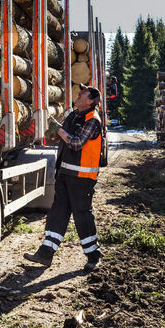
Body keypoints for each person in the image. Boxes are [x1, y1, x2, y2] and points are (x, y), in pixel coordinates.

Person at [24, 85, 104, 269]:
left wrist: (59, 130)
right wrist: (53, 133)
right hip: (66, 174)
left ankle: (94, 257)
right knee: (57, 213)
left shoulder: (93, 120)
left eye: (83, 93)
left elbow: (76, 143)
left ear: (90, 101)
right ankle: (45, 254)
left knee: (82, 216)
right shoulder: (74, 115)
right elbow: (64, 137)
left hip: (82, 178)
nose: (79, 93)